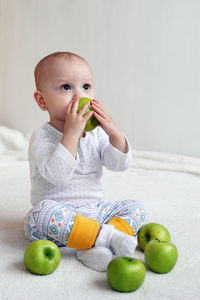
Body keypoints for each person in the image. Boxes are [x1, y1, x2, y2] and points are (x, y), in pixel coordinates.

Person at [24, 51, 146, 272]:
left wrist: (113, 132)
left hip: (95, 214)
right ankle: (108, 238)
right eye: (66, 87)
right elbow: (58, 176)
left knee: (136, 208)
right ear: (42, 101)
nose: (79, 96)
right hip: (58, 221)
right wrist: (71, 133)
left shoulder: (96, 134)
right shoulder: (41, 137)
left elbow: (119, 164)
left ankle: (91, 244)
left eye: (86, 87)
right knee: (38, 215)